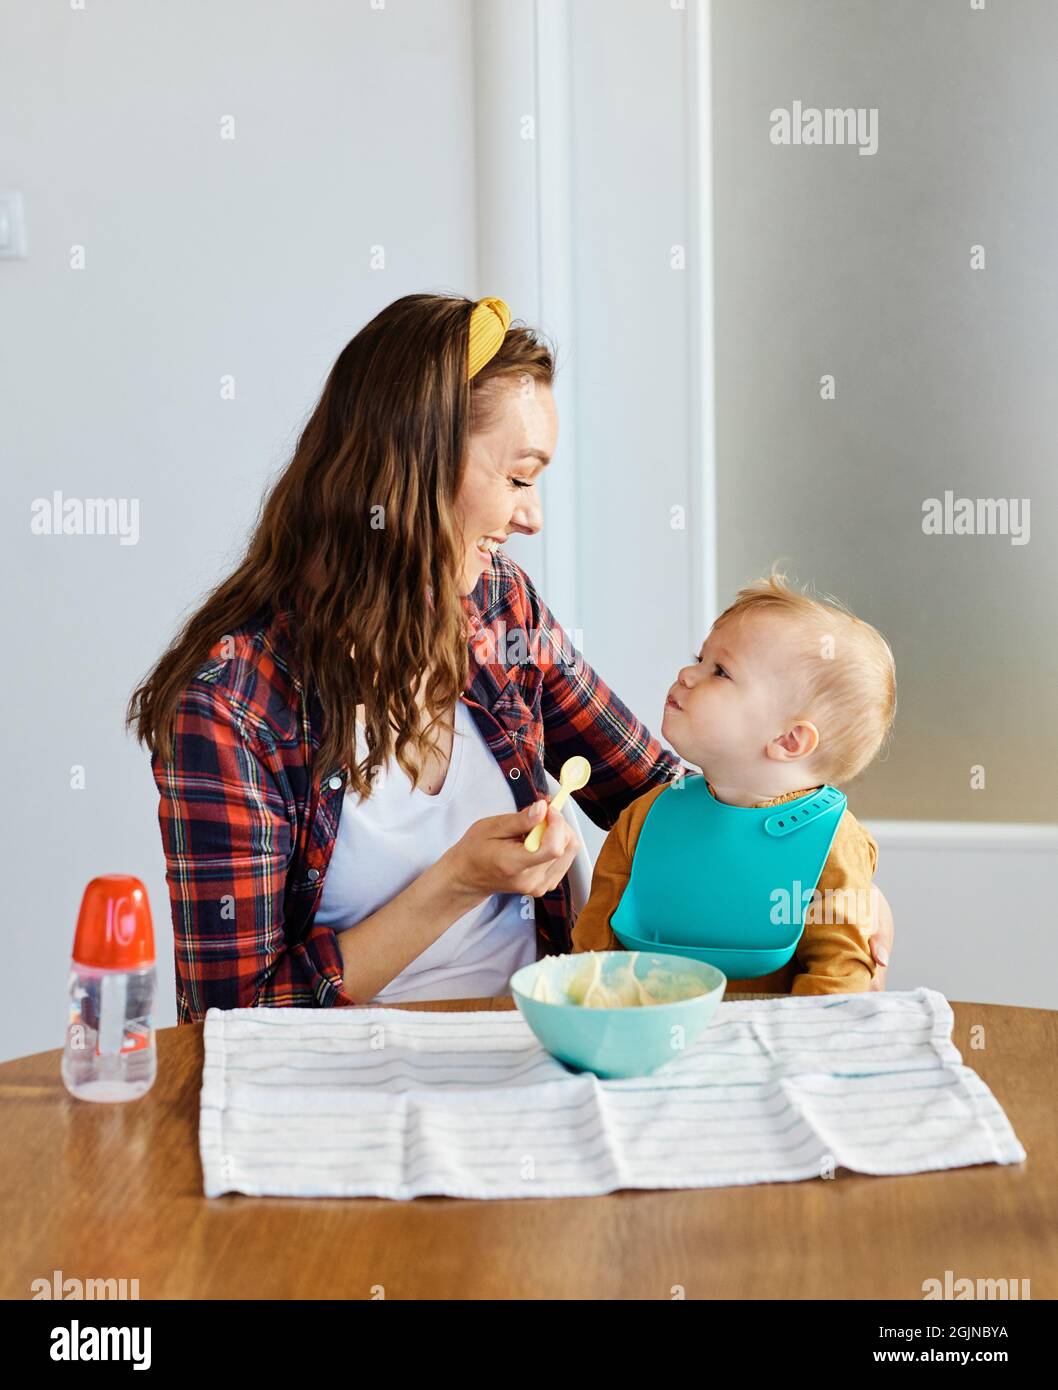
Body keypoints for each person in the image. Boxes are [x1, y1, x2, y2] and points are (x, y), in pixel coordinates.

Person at [126, 293, 894, 1021]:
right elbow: (232, 1021)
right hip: (349, 1083)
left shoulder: (498, 607)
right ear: (410, 467)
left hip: (549, 1045)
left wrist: (821, 876)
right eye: (519, 476)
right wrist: (455, 883)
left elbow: (656, 795)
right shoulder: (232, 703)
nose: (530, 516)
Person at [573, 573, 897, 994]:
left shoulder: (833, 845)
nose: (688, 674)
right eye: (699, 658)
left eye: (721, 671)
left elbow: (837, 985)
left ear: (789, 740)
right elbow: (592, 954)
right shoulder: (644, 819)